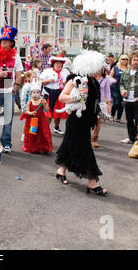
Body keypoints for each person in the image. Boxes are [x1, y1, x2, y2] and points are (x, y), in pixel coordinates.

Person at [55, 51, 108, 196]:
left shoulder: (94, 81)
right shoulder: (75, 79)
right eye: (98, 66)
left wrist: (102, 114)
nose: (100, 69)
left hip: (87, 121)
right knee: (85, 148)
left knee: (69, 144)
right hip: (76, 121)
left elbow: (94, 102)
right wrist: (77, 98)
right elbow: (62, 97)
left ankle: (61, 170)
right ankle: (92, 181)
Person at [0, 25, 23, 154]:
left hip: (8, 92)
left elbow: (19, 74)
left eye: (7, 40)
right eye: (2, 40)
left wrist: (15, 88)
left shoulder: (16, 57)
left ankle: (6, 143)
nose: (4, 42)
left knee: (8, 119)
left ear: (12, 43)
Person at [21, 79, 52, 154]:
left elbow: (47, 110)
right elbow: (27, 111)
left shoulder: (41, 101)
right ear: (31, 94)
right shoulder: (30, 102)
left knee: (41, 133)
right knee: (32, 134)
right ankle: (33, 147)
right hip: (32, 121)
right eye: (33, 92)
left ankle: (42, 147)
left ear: (40, 94)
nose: (35, 94)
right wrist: (31, 113)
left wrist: (45, 104)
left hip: (41, 120)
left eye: (37, 92)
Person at [40, 55, 69, 134]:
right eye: (57, 63)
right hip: (49, 94)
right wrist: (48, 81)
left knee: (58, 112)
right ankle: (44, 130)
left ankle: (56, 127)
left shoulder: (65, 71)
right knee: (48, 113)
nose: (59, 65)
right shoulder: (47, 71)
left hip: (61, 94)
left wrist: (66, 83)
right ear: (53, 64)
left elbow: (70, 82)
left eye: (60, 63)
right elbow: (39, 81)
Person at [91, 68, 111, 148]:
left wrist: (109, 104)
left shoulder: (106, 79)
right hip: (90, 101)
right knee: (87, 120)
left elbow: (107, 91)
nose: (100, 69)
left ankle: (94, 140)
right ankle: (84, 138)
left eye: (102, 68)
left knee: (98, 122)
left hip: (101, 102)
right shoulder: (90, 77)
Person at [109, 54, 128, 123]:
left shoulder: (129, 69)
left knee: (122, 103)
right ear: (120, 60)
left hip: (124, 88)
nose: (125, 60)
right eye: (123, 59)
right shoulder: (115, 68)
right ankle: (112, 115)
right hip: (115, 88)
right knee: (116, 102)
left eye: (126, 59)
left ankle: (119, 118)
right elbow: (110, 77)